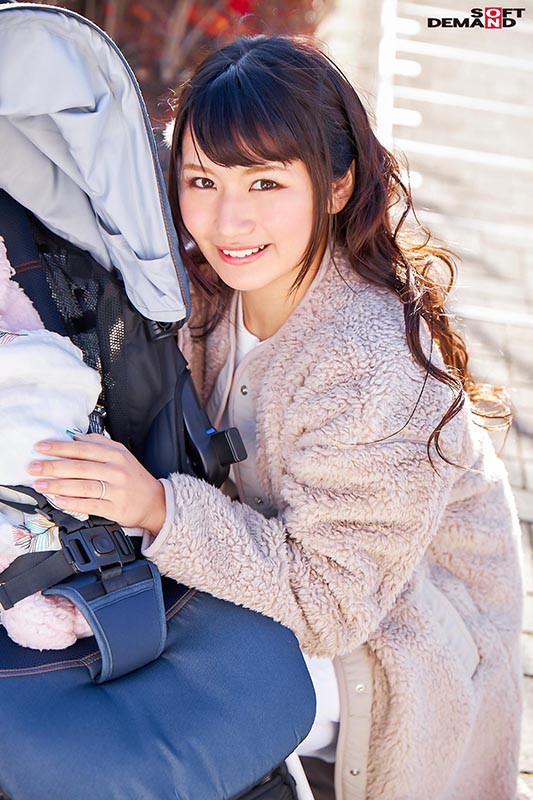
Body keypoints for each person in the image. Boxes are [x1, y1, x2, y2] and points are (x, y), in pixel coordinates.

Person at [27, 35, 526, 800]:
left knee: (134, 724)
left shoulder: (370, 365)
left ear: (335, 186)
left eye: (265, 182)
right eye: (202, 180)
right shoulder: (195, 290)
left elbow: (330, 605)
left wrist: (156, 508)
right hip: (265, 570)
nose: (228, 219)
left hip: (398, 634)